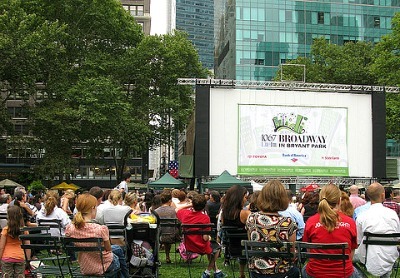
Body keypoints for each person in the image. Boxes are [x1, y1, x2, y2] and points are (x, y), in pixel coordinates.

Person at [65, 193, 129, 278]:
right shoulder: (100, 229)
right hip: (103, 266)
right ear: (93, 208)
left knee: (117, 249)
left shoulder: (70, 228)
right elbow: (108, 249)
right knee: (117, 254)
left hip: (85, 266)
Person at [302, 184, 359, 278]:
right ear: (339, 201)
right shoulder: (350, 222)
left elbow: (309, 250)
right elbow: (351, 253)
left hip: (315, 273)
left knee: (305, 269)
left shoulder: (311, 222)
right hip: (344, 273)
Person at [246, 180, 299, 278]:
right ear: (283, 199)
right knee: (296, 271)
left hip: (256, 270)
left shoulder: (251, 218)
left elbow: (251, 242)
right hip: (281, 272)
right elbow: (292, 252)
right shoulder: (288, 222)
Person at [354, 182, 400, 278]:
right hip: (390, 257)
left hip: (368, 258)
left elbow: (357, 241)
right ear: (383, 195)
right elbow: (397, 237)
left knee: (348, 259)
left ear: (368, 196)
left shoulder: (362, 216)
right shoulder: (393, 214)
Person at [177, 193, 226, 278]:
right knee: (216, 248)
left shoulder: (185, 215)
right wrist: (209, 237)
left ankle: (217, 272)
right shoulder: (205, 218)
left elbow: (177, 209)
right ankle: (207, 272)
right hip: (201, 246)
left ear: (193, 204)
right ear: (204, 206)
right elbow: (205, 238)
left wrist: (191, 205)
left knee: (210, 248)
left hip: (188, 245)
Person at [221, 185, 250, 278]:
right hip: (247, 247)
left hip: (231, 247)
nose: (246, 200)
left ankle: (242, 274)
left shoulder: (223, 213)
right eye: (245, 197)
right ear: (240, 198)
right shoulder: (245, 214)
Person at [0, 205, 30, 277]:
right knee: (20, 275)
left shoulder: (5, 230)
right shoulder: (24, 230)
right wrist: (28, 259)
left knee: (6, 275)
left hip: (7, 257)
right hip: (20, 257)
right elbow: (28, 247)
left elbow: (1, 247)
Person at [155, 190, 180, 264]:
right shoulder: (174, 210)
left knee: (164, 232)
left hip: (159, 237)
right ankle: (167, 256)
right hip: (173, 236)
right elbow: (178, 222)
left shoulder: (156, 211)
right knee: (169, 231)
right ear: (170, 200)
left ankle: (166, 256)